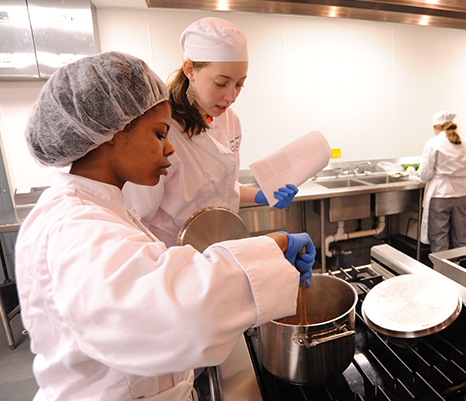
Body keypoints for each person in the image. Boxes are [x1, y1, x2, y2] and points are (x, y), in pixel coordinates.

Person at [16, 51, 315, 401]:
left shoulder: (100, 207)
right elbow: (173, 311)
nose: (170, 148)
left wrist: (266, 237)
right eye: (159, 134)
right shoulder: (75, 226)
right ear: (111, 133)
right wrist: (272, 247)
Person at [123, 17, 298, 246]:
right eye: (221, 83)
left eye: (239, 84)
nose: (231, 97)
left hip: (220, 244)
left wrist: (258, 195)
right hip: (172, 253)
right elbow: (135, 217)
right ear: (190, 70)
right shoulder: (162, 130)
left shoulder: (230, 121)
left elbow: (218, 184)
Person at [418, 111, 466, 253]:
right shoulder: (465, 142)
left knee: (439, 239)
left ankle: (441, 273)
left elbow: (424, 174)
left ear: (437, 127)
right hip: (462, 193)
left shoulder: (433, 142)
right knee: (462, 238)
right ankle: (460, 271)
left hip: (441, 194)